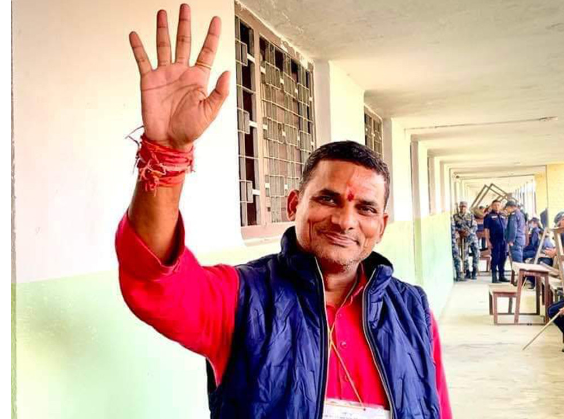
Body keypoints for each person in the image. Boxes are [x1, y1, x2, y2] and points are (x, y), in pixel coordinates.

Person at [115, 5, 452, 418]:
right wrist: (167, 153)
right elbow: (153, 278)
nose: (345, 220)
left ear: (381, 226)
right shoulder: (242, 298)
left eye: (365, 208)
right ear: (295, 204)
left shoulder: (413, 312)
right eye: (328, 199)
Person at [453, 202, 480, 279]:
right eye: (461, 206)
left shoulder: (470, 216)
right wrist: (460, 231)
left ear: (466, 207)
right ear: (459, 207)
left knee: (476, 254)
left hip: (472, 238)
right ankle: (467, 271)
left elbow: (475, 227)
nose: (462, 208)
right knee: (464, 256)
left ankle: (474, 271)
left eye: (464, 207)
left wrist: (468, 232)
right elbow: (454, 227)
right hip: (463, 239)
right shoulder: (455, 217)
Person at [483, 200, 508, 283]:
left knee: (503, 257)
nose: (497, 206)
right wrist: (488, 241)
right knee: (495, 258)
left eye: (498, 205)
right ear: (492, 206)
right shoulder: (489, 216)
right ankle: (494, 277)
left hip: (504, 240)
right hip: (495, 240)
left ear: (501, 206)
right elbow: (486, 229)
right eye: (495, 205)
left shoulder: (503, 216)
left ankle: (502, 276)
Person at [451, 218, 465, 282]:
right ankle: (458, 275)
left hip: (453, 242)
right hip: (452, 243)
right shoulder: (451, 220)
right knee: (457, 259)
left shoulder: (452, 221)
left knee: (457, 259)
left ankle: (458, 275)